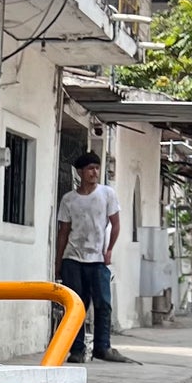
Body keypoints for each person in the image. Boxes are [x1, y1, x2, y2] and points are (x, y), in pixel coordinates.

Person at [56, 150, 130, 365]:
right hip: (73, 258)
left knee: (103, 303)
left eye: (97, 168)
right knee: (77, 305)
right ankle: (77, 350)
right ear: (80, 172)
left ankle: (102, 347)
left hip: (97, 259)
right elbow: (63, 231)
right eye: (90, 168)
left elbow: (115, 224)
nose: (94, 172)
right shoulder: (69, 199)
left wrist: (109, 250)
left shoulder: (107, 194)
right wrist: (58, 262)